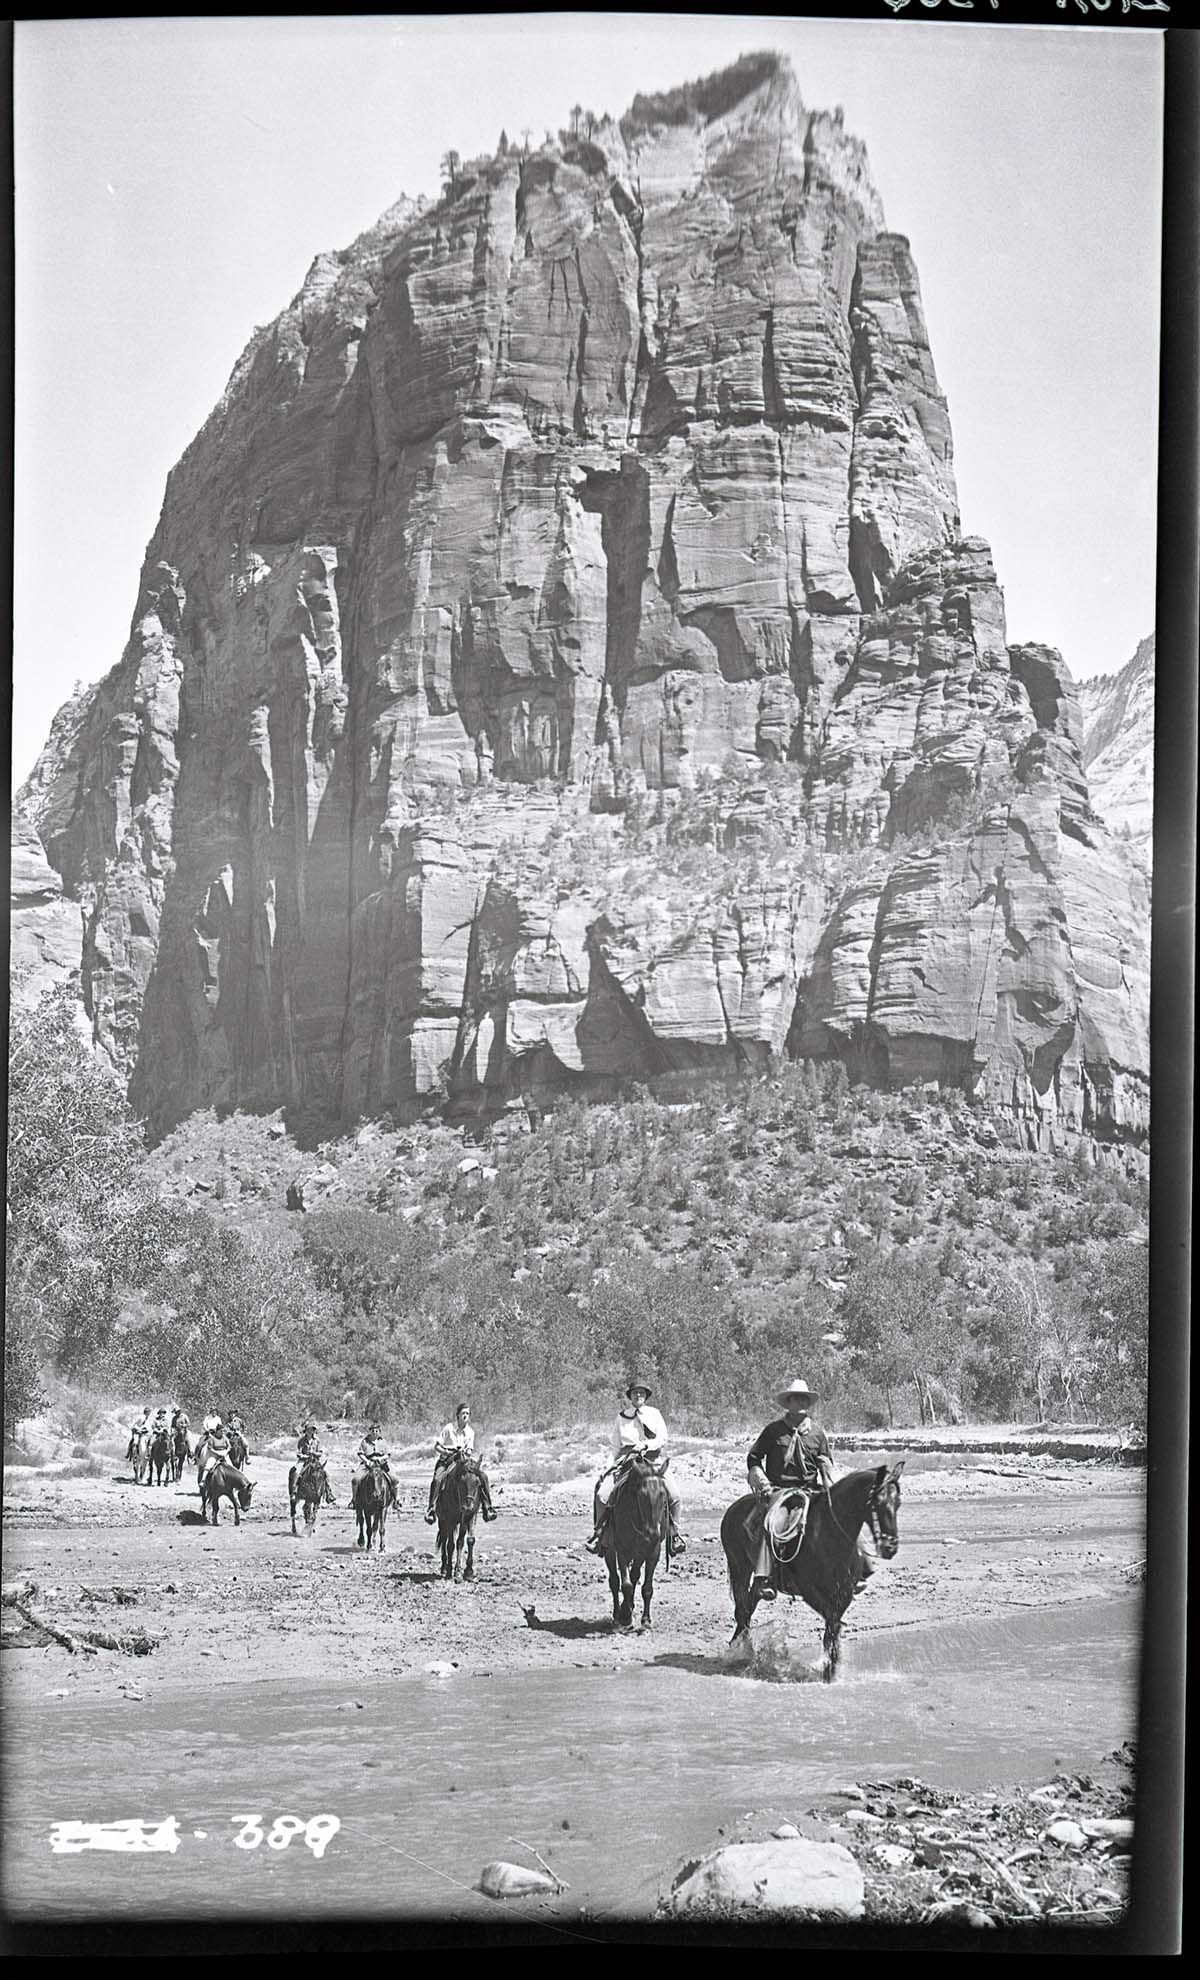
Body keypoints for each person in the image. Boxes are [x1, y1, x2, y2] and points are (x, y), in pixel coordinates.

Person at [745, 1378, 835, 1600]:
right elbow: (754, 1458)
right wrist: (761, 1481)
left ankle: (852, 1571)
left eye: (804, 1398)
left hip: (811, 1491)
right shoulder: (774, 1431)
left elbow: (826, 1462)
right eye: (796, 1398)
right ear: (789, 1403)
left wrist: (831, 1486)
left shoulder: (817, 1433)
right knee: (772, 1524)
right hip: (780, 1490)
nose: (801, 1402)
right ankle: (763, 1577)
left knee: (839, 1520)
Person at [586, 1380, 686, 1557]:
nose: (638, 1395)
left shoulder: (654, 1414)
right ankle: (600, 1535)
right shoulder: (622, 1417)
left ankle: (674, 1534)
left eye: (641, 1393)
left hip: (652, 1461)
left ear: (646, 1396)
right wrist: (607, 1467)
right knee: (602, 1495)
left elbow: (662, 1438)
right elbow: (615, 1447)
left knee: (675, 1496)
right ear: (630, 1396)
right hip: (627, 1461)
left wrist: (646, 1446)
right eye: (634, 1393)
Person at [424, 1403, 497, 1524]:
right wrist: (447, 1452)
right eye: (463, 1413)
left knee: (483, 1476)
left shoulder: (470, 1432)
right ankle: (431, 1508)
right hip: (448, 1459)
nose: (465, 1416)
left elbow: (469, 1450)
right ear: (457, 1415)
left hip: (464, 1459)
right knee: (437, 1479)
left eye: (467, 1414)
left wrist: (465, 1453)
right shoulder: (448, 1428)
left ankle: (487, 1508)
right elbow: (437, 1447)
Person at [350, 1422, 398, 1510]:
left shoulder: (383, 1441)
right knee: (355, 1480)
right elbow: (360, 1453)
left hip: (381, 1463)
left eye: (377, 1431)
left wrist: (382, 1458)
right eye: (373, 1431)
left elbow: (388, 1454)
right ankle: (354, 1500)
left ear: (379, 1431)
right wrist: (367, 1461)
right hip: (368, 1464)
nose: (375, 1432)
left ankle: (395, 1501)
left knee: (394, 1479)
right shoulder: (364, 1441)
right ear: (370, 1432)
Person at [296, 1421, 335, 1504]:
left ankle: (328, 1493)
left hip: (315, 1461)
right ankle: (295, 1491)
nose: (310, 1431)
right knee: (296, 1472)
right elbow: (298, 1453)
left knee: (325, 1474)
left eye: (312, 1430)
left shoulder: (317, 1440)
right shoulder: (301, 1441)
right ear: (306, 1431)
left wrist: (314, 1453)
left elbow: (320, 1452)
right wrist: (304, 1456)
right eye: (308, 1429)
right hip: (304, 1461)